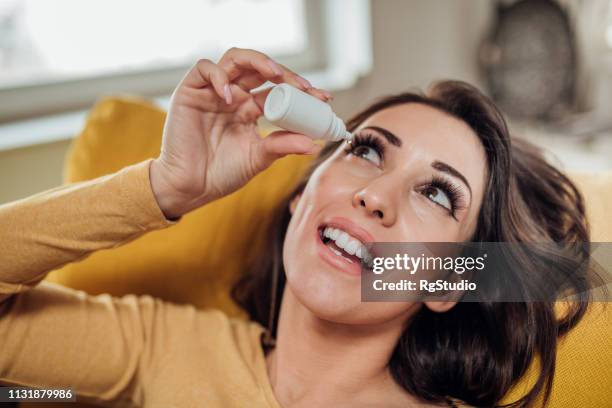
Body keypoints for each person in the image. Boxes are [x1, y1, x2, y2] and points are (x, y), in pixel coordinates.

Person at [0, 48, 591, 407]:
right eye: (366, 151)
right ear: (303, 192)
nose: (375, 196)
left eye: (437, 194)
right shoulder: (168, 347)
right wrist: (165, 185)